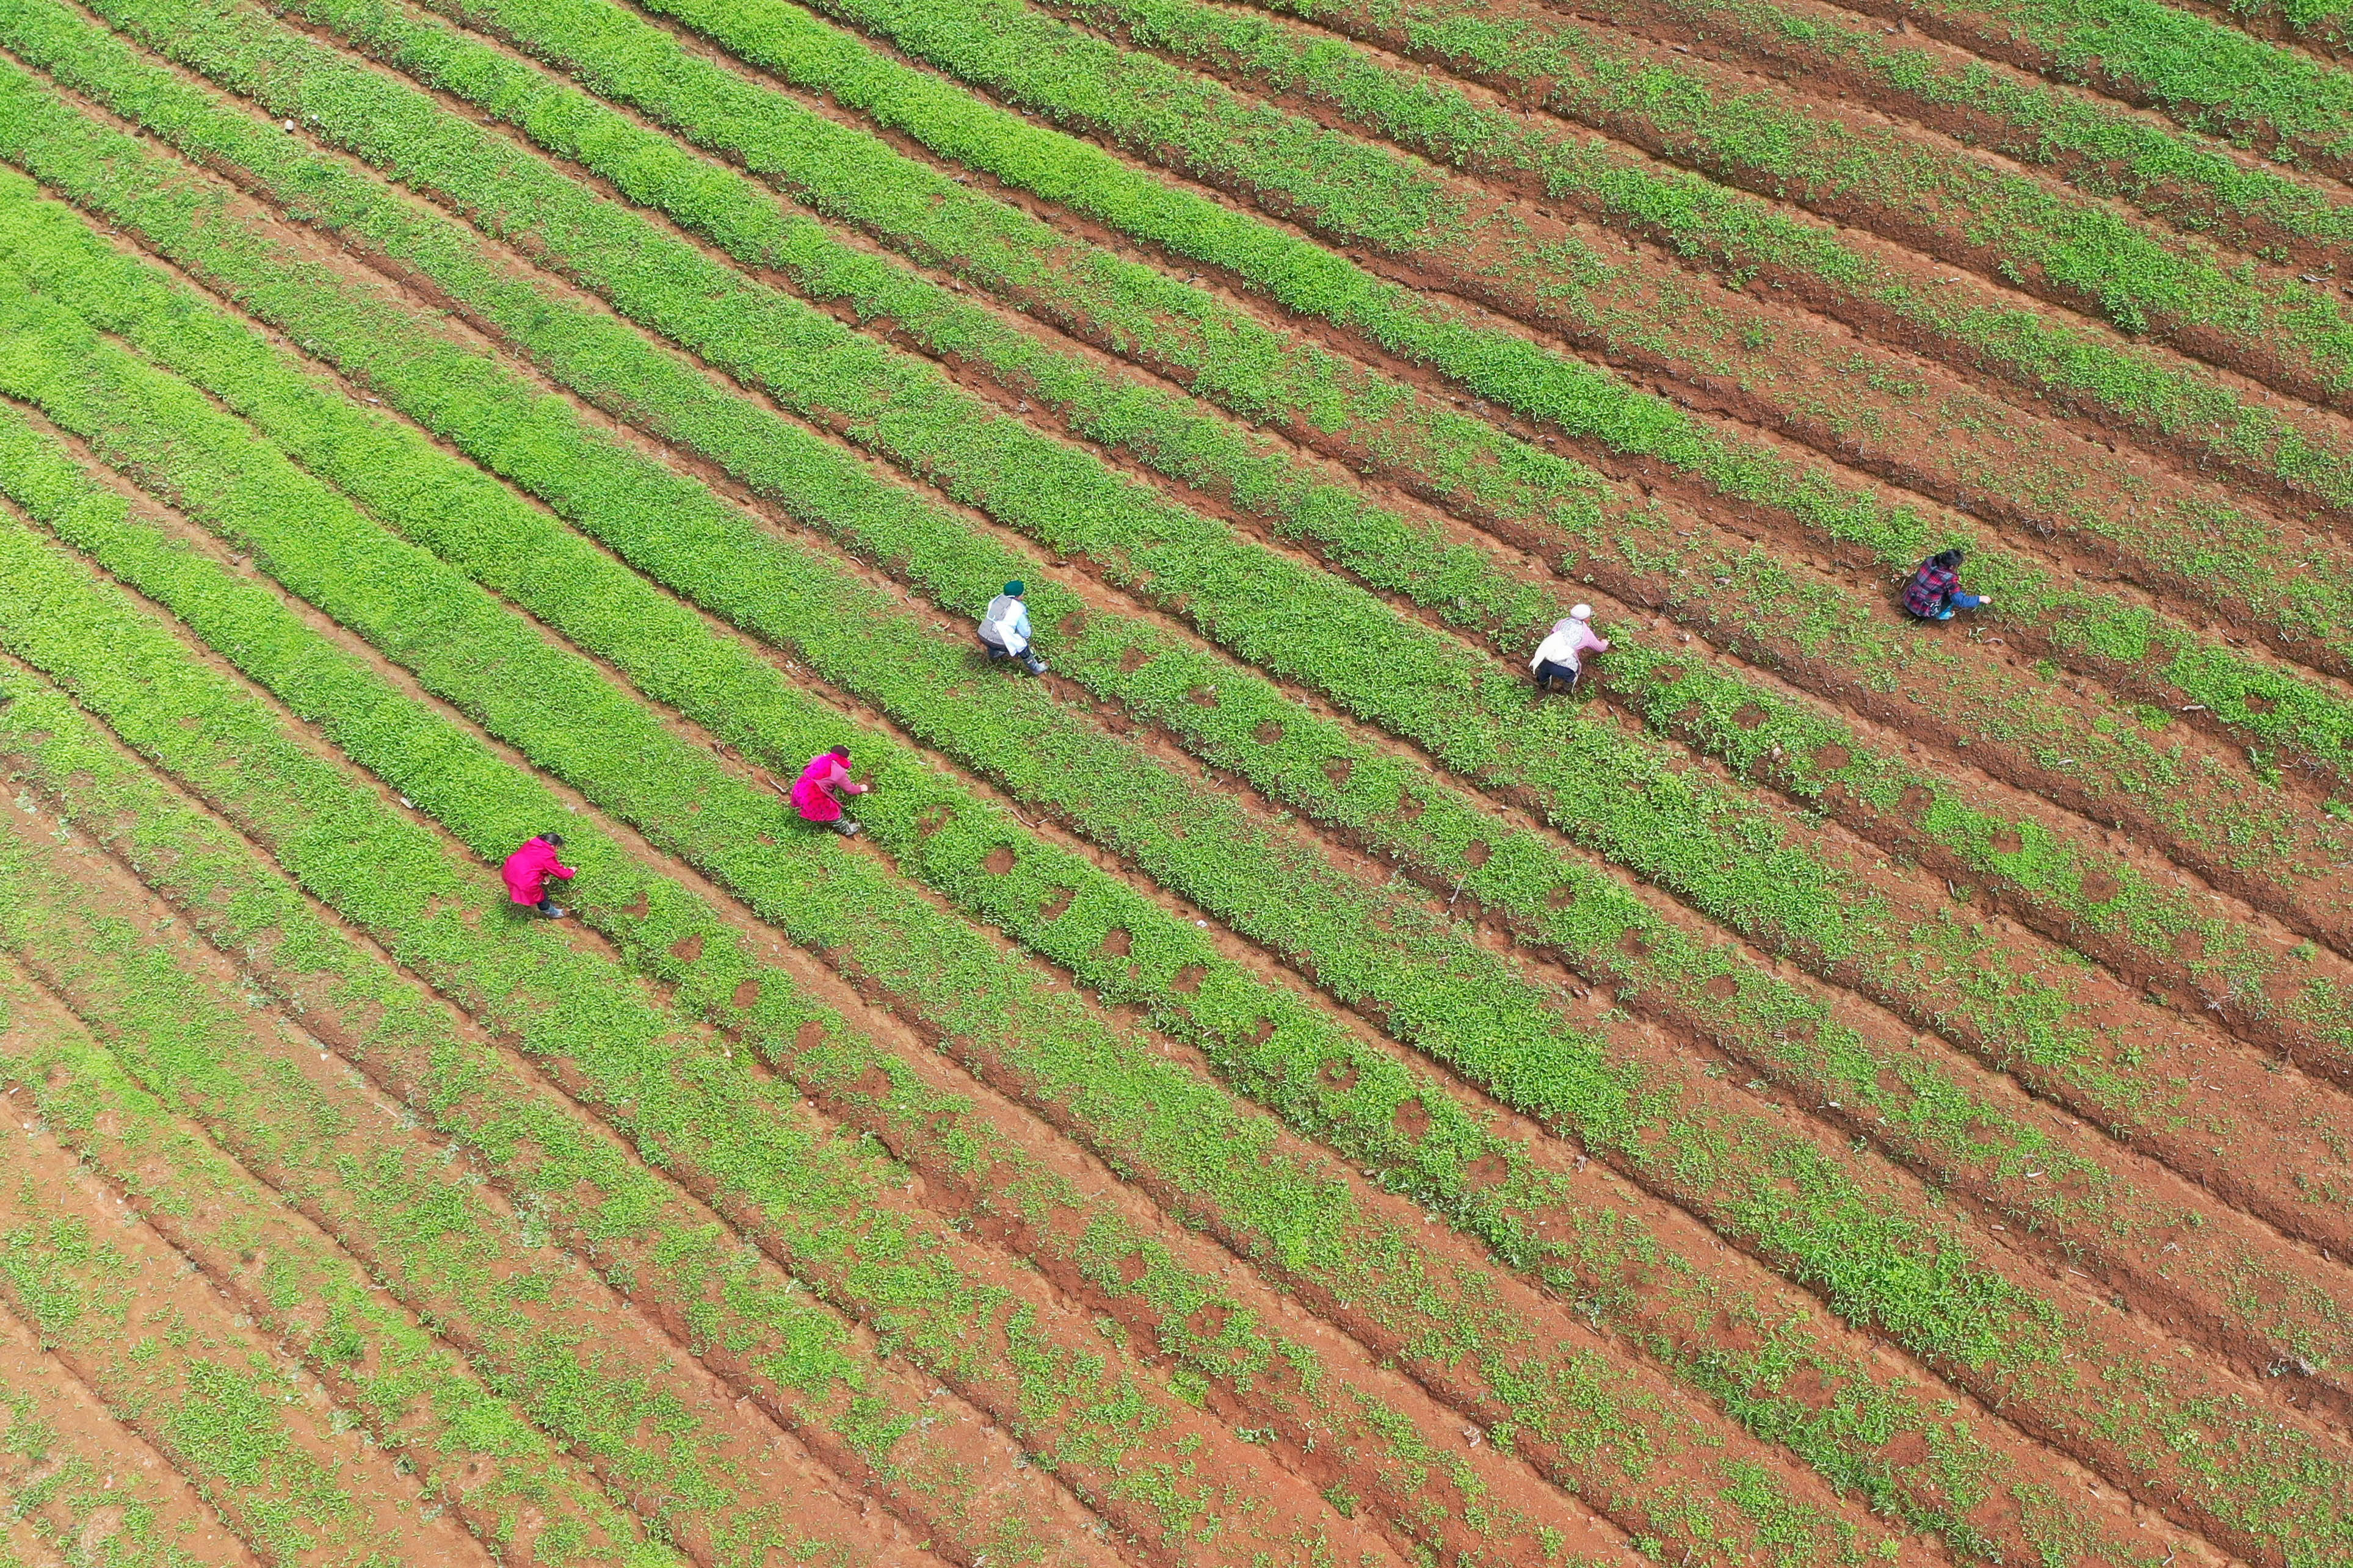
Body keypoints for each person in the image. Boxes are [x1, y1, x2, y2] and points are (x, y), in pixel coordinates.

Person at [790, 745, 870, 837]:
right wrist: (861, 788)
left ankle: (799, 811)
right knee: (832, 811)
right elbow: (850, 790)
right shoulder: (838, 771)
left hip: (800, 787)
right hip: (813, 795)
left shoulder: (819, 758)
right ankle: (847, 830)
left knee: (804, 801)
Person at [1530, 604, 1609, 694]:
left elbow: (1551, 636)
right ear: (1587, 620)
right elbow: (1600, 648)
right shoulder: (1586, 633)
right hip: (1565, 669)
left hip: (1544, 661)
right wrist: (1605, 643)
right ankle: (1566, 689)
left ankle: (1543, 683)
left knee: (1543, 672)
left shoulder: (1562, 623)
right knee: (1570, 676)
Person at [978, 580, 1048, 674]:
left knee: (995, 634)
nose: (1023, 596)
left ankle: (994, 654)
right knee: (1021, 644)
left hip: (982, 634)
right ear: (1016, 597)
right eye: (1022, 594)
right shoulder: (1018, 608)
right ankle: (1036, 668)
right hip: (997, 639)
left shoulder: (996, 600)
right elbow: (1026, 633)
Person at [1902, 548, 1991, 621]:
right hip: (1922, 614)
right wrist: (1980, 599)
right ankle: (1942, 614)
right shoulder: (1949, 578)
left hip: (1908, 600)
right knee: (1952, 597)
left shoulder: (1929, 561)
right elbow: (1960, 601)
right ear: (1952, 566)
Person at [502, 832, 576, 919]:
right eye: (558, 848)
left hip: (509, 870)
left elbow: (533, 862)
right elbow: (563, 874)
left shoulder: (532, 843)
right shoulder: (547, 856)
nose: (557, 850)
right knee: (541, 897)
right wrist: (572, 870)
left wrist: (544, 875)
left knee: (519, 885)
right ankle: (553, 913)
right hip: (524, 880)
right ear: (553, 846)